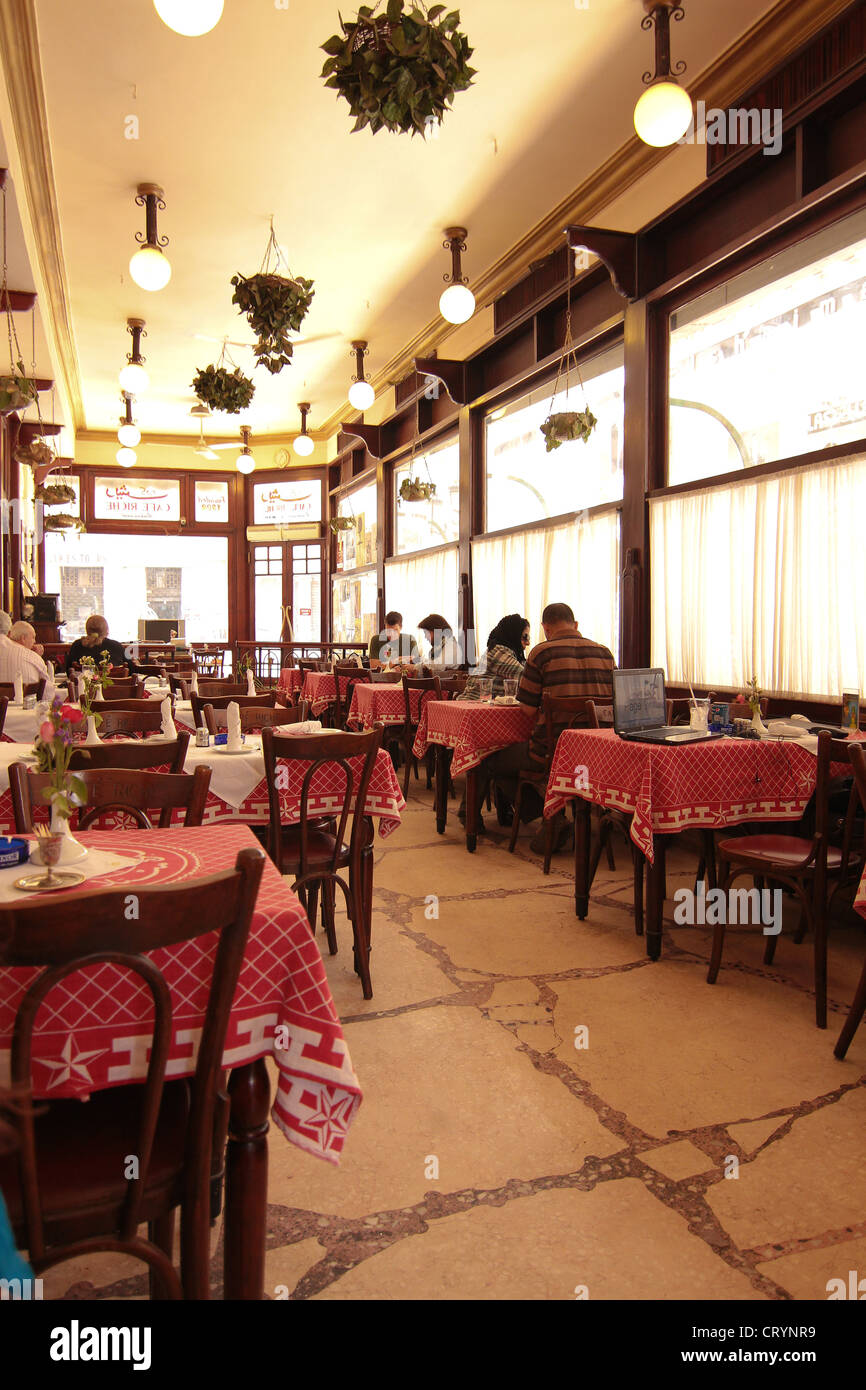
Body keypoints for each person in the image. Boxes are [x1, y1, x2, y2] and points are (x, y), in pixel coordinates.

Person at [478, 602, 615, 846]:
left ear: (545, 627)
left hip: (552, 753)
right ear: (576, 624)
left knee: (489, 756)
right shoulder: (605, 653)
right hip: (600, 753)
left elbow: (528, 709)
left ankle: (550, 815)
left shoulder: (542, 653)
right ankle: (555, 814)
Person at [463, 613, 530, 699]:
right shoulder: (499, 653)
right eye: (525, 637)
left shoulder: (511, 654)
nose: (528, 643)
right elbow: (526, 678)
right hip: (472, 707)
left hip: (486, 707)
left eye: (528, 638)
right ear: (513, 634)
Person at [65, 615, 130, 673]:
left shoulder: (77, 645)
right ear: (106, 629)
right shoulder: (117, 646)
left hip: (86, 686)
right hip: (114, 685)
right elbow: (130, 670)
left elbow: (69, 672)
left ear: (87, 630)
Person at [0, 621, 50, 685]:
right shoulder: (33, 657)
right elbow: (48, 690)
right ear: (23, 638)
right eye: (33, 637)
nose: (34, 641)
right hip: (25, 694)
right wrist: (37, 658)